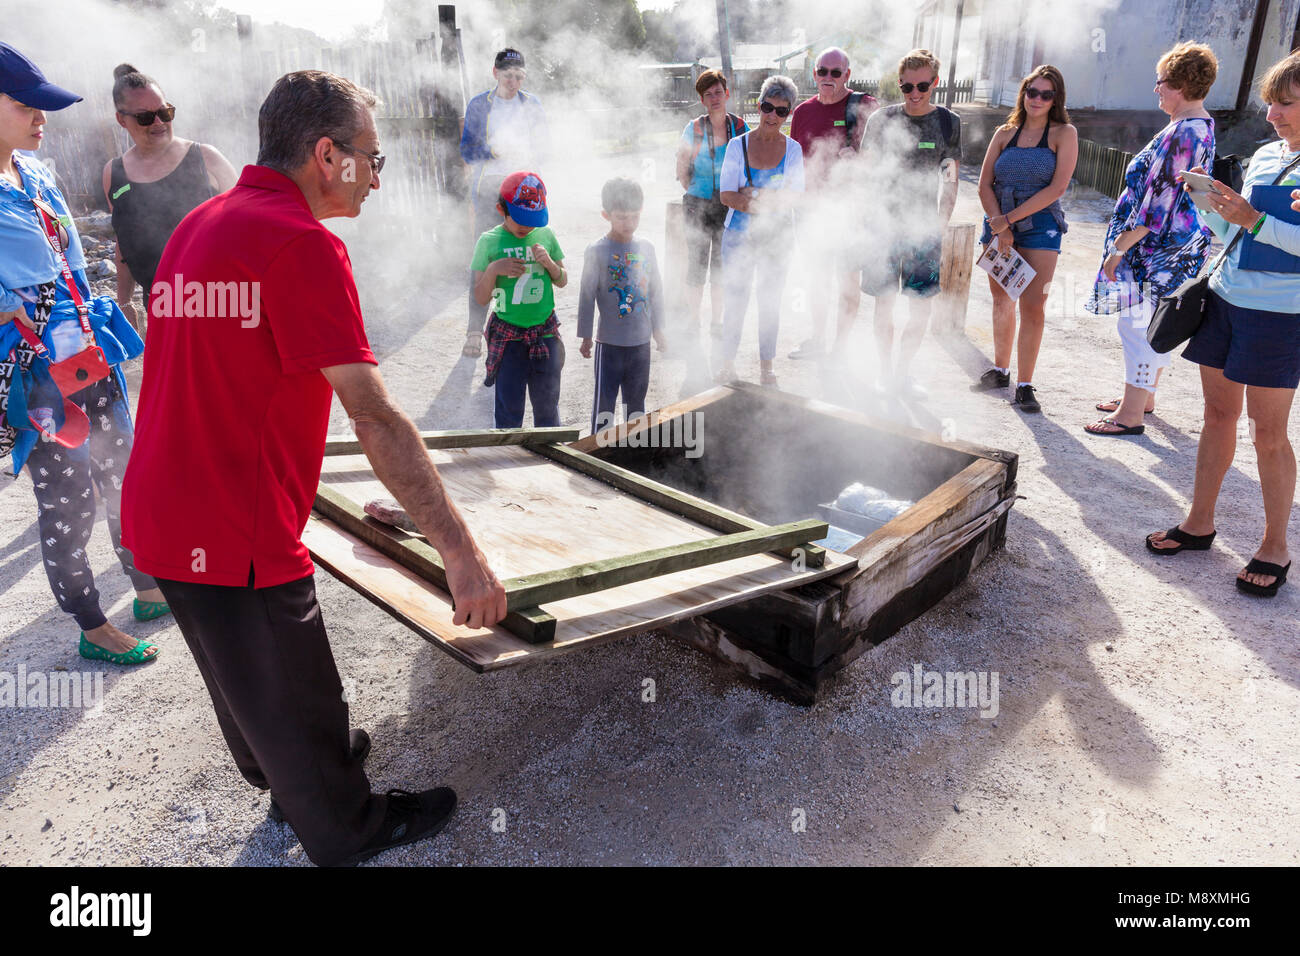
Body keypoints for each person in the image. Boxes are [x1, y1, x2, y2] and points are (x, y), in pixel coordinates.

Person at [120, 70, 508, 866]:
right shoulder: (302, 243)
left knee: (239, 674)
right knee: (292, 672)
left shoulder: (201, 222)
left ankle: (284, 775)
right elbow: (372, 413)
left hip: (162, 515)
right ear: (327, 155)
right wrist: (460, 551)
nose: (377, 173)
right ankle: (345, 823)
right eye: (373, 155)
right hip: (235, 526)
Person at [0, 42, 164, 666]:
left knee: (126, 470)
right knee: (68, 499)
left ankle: (146, 583)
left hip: (87, 353)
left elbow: (68, 261)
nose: (42, 118)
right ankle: (92, 624)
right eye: (26, 106)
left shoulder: (35, 173)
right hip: (36, 375)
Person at [1146, 50, 1300, 597]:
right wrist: (1208, 203)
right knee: (1216, 415)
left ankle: (1275, 545)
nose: (1271, 116)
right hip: (1227, 299)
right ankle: (1199, 522)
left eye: (1284, 104)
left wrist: (1252, 218)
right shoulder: (1264, 156)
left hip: (1279, 317)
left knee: (1268, 433)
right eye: (1269, 104)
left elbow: (1268, 230)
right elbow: (1236, 234)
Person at [1083, 42, 1217, 436]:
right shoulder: (1199, 126)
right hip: (1174, 246)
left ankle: (1130, 415)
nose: (1156, 89)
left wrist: (1118, 248)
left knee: (1137, 327)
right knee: (1151, 324)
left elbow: (1157, 204)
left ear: (1180, 84)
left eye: (1161, 83)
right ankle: (1143, 398)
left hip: (1156, 249)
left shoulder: (1185, 131)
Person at [972, 65, 1078, 413]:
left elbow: (1058, 187)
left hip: (1040, 224)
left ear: (1055, 98)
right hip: (999, 221)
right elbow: (984, 183)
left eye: (1046, 94)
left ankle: (1025, 383)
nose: (1037, 99)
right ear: (1023, 93)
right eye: (1032, 92)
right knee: (1002, 300)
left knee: (1034, 306)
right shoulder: (1005, 132)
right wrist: (1000, 228)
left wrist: (1009, 222)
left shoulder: (1064, 133)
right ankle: (1000, 370)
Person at [102, 63, 237, 331]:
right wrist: (125, 302)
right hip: (162, 308)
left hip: (223, 304)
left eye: (165, 112)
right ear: (121, 120)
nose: (158, 123)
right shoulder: (114, 173)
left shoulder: (205, 158)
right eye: (145, 117)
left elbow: (252, 227)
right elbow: (124, 243)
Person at [859, 49, 961, 399]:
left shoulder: (948, 122)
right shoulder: (881, 120)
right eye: (907, 86)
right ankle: (884, 374)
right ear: (899, 83)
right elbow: (865, 171)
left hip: (924, 229)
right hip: (883, 228)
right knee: (883, 303)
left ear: (934, 82)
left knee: (920, 307)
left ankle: (903, 374)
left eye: (922, 85)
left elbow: (950, 178)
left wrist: (942, 221)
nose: (915, 93)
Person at [714, 74, 805, 386]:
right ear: (759, 105)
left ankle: (767, 366)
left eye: (781, 111)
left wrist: (751, 195)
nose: (772, 116)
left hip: (776, 239)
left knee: (770, 303)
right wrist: (770, 201)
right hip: (738, 237)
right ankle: (727, 364)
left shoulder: (793, 150)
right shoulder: (736, 146)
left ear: (788, 113)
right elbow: (726, 195)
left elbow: (795, 196)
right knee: (735, 300)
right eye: (768, 107)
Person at [787, 46, 877, 360]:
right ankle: (818, 339)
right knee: (816, 279)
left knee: (848, 280)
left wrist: (860, 159)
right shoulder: (801, 112)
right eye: (822, 71)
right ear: (814, 74)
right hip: (810, 211)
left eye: (835, 72)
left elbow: (887, 155)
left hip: (850, 212)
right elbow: (794, 160)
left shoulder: (865, 106)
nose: (828, 77)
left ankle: (841, 347)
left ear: (847, 75)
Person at [459, 49, 548, 359]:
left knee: (526, 254)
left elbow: (545, 145)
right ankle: (474, 329)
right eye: (508, 75)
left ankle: (523, 327)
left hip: (523, 189)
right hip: (490, 189)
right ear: (495, 73)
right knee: (484, 257)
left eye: (519, 76)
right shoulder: (479, 105)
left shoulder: (532, 104)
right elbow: (467, 151)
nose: (513, 82)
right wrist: (493, 151)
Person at [471, 170, 567, 428]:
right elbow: (480, 297)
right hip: (509, 338)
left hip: (544, 334)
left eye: (533, 220)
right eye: (521, 219)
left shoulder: (546, 235)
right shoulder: (488, 242)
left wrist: (549, 263)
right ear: (501, 209)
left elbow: (562, 280)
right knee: (509, 411)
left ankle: (551, 463)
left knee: (548, 408)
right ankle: (507, 458)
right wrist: (494, 270)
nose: (527, 226)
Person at [578, 177, 666, 433]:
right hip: (609, 344)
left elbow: (656, 292)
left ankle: (632, 453)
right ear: (606, 215)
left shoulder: (647, 248)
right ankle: (597, 453)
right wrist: (585, 336)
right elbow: (586, 295)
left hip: (641, 343)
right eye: (621, 217)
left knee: (636, 404)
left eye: (634, 217)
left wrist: (659, 330)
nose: (629, 224)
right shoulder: (596, 250)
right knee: (604, 404)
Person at [675, 69, 747, 343]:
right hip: (697, 202)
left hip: (729, 204)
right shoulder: (693, 128)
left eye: (718, 92)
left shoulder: (739, 127)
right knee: (696, 264)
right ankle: (694, 321)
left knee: (721, 265)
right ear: (702, 100)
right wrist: (696, 191)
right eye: (708, 94)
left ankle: (717, 321)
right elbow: (681, 166)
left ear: (727, 94)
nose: (714, 98)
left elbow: (749, 161)